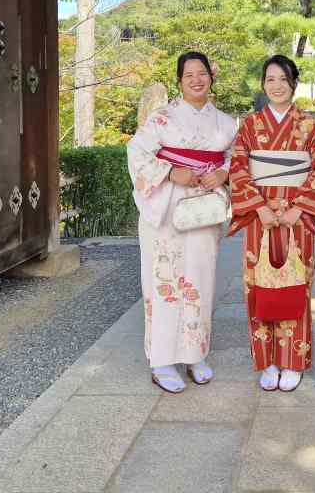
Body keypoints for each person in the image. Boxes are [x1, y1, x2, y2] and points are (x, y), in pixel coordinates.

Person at [126, 51, 237, 393]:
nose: (196, 79)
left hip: (204, 207)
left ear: (210, 77)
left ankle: (195, 353)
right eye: (188, 75)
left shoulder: (226, 122)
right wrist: (172, 172)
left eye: (201, 73)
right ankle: (161, 360)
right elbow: (136, 152)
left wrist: (223, 173)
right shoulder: (161, 119)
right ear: (179, 81)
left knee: (200, 279)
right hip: (166, 205)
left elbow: (237, 157)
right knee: (164, 281)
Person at [229, 55, 315, 392]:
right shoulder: (249, 125)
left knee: (295, 281)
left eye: (282, 79)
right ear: (263, 84)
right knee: (259, 284)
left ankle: (293, 360)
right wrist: (258, 207)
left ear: (294, 84)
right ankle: (268, 360)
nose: (276, 86)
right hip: (260, 217)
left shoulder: (310, 126)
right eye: (269, 79)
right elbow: (238, 167)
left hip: (295, 217)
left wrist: (298, 209)